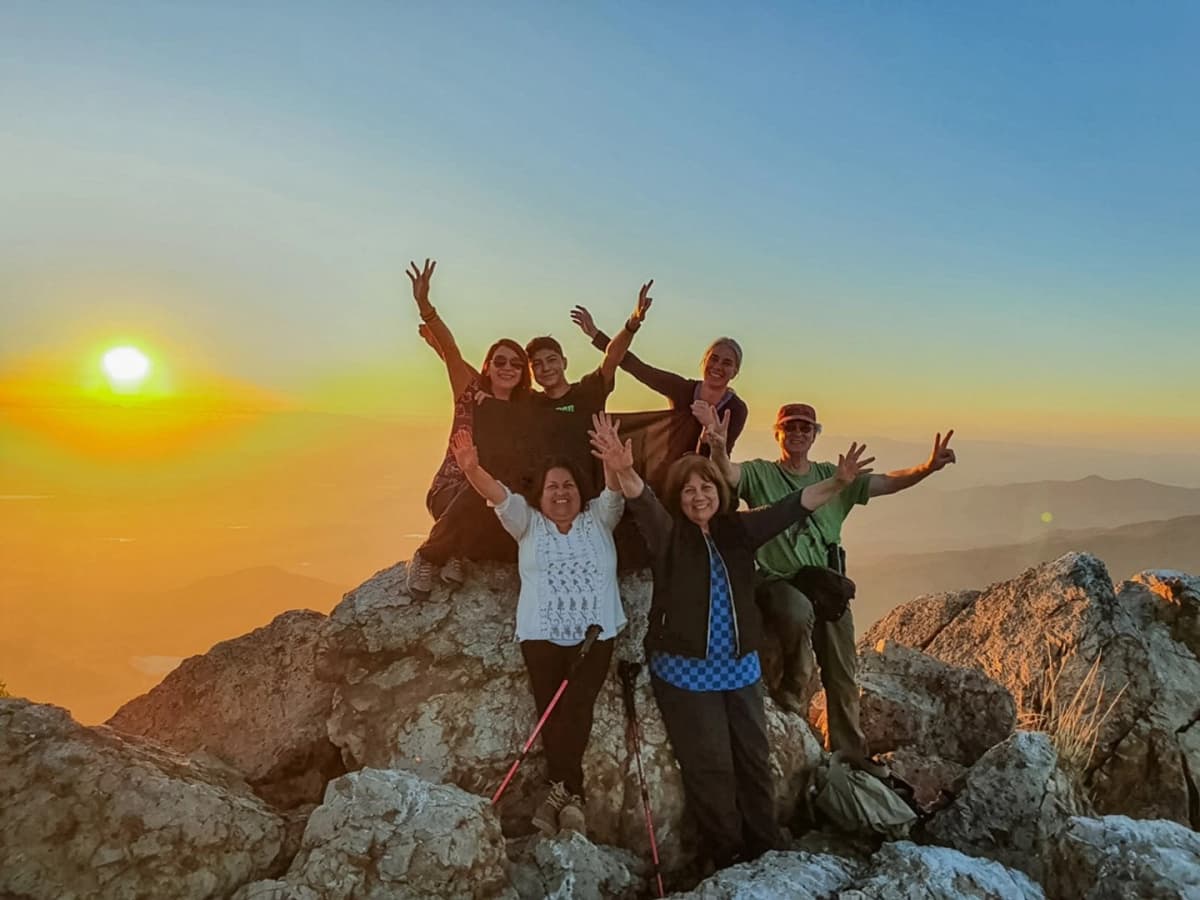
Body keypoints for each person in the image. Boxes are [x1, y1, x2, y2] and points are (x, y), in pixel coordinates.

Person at [589, 412, 872, 868]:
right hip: (686, 672)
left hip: (739, 667)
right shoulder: (669, 535)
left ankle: (765, 846)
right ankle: (725, 855)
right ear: (678, 497)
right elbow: (642, 500)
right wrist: (623, 469)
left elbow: (795, 505)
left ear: (720, 492)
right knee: (712, 766)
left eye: (706, 487)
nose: (698, 495)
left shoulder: (738, 531)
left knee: (754, 760)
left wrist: (839, 482)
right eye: (688, 490)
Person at [701, 401, 957, 772]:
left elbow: (888, 482)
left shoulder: (833, 475)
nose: (797, 433)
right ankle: (793, 688)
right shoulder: (761, 473)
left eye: (805, 428)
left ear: (815, 434)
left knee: (842, 672)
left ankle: (849, 755)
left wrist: (927, 467)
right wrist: (717, 448)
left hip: (825, 583)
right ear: (778, 434)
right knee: (795, 610)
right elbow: (728, 472)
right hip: (778, 579)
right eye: (790, 427)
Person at [448, 427, 626, 837]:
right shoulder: (527, 523)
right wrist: (471, 469)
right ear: (540, 495)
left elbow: (614, 491)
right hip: (541, 634)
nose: (561, 493)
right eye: (552, 487)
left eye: (568, 485)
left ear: (580, 491)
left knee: (577, 710)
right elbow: (498, 495)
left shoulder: (599, 518)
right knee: (551, 713)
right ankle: (570, 797)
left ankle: (562, 794)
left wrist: (612, 462)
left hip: (595, 634)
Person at [405, 258, 533, 598]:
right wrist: (426, 307)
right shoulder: (469, 394)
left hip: (493, 498)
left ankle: (458, 551)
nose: (507, 367)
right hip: (450, 493)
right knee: (484, 486)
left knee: (506, 500)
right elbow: (451, 351)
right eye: (499, 361)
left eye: (516, 363)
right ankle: (430, 555)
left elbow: (562, 408)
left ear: (524, 372)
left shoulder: (524, 411)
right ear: (487, 366)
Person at [525, 281, 654, 495]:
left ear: (564, 362)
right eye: (537, 364)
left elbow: (612, 357)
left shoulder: (588, 391)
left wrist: (633, 322)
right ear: (531, 372)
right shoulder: (529, 402)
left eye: (551, 360)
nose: (545, 368)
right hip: (548, 499)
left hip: (593, 498)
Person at [570, 305, 748, 453]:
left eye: (727, 363)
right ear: (704, 361)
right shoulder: (682, 388)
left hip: (708, 477)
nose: (717, 366)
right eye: (714, 359)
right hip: (669, 472)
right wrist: (597, 334)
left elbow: (723, 458)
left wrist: (710, 427)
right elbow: (638, 368)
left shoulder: (736, 409)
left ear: (734, 372)